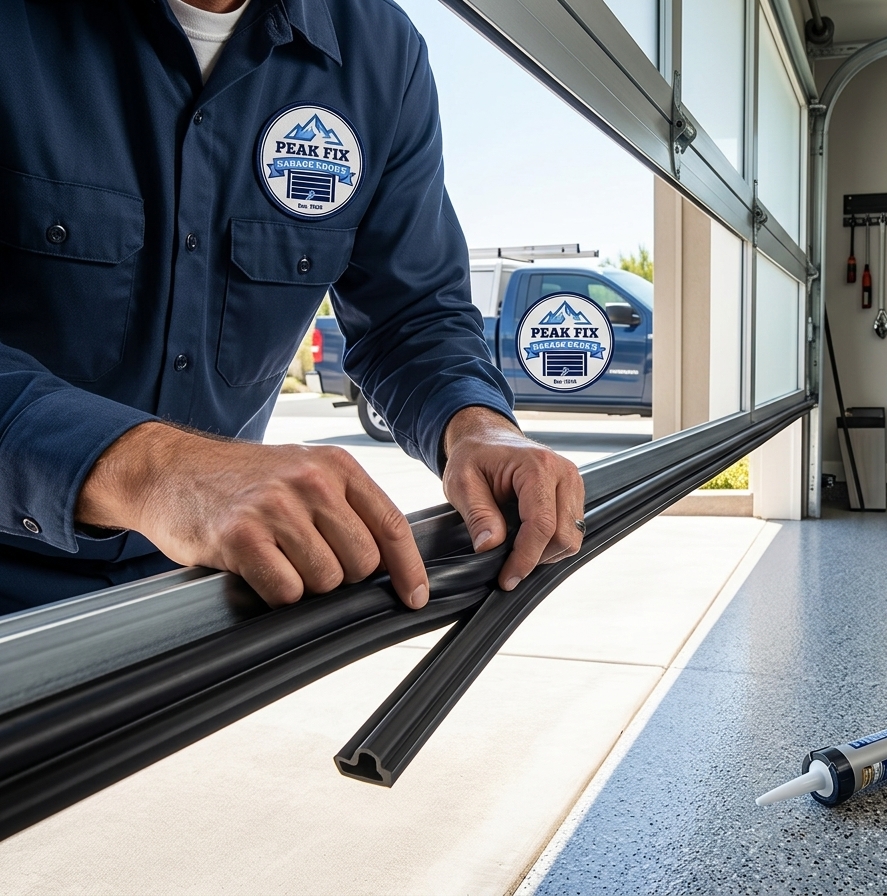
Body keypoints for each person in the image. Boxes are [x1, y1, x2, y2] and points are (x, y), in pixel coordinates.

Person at [0, 0, 584, 615]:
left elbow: (412, 316)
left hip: (201, 601)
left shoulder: (380, 55)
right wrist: (158, 472)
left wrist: (476, 426)